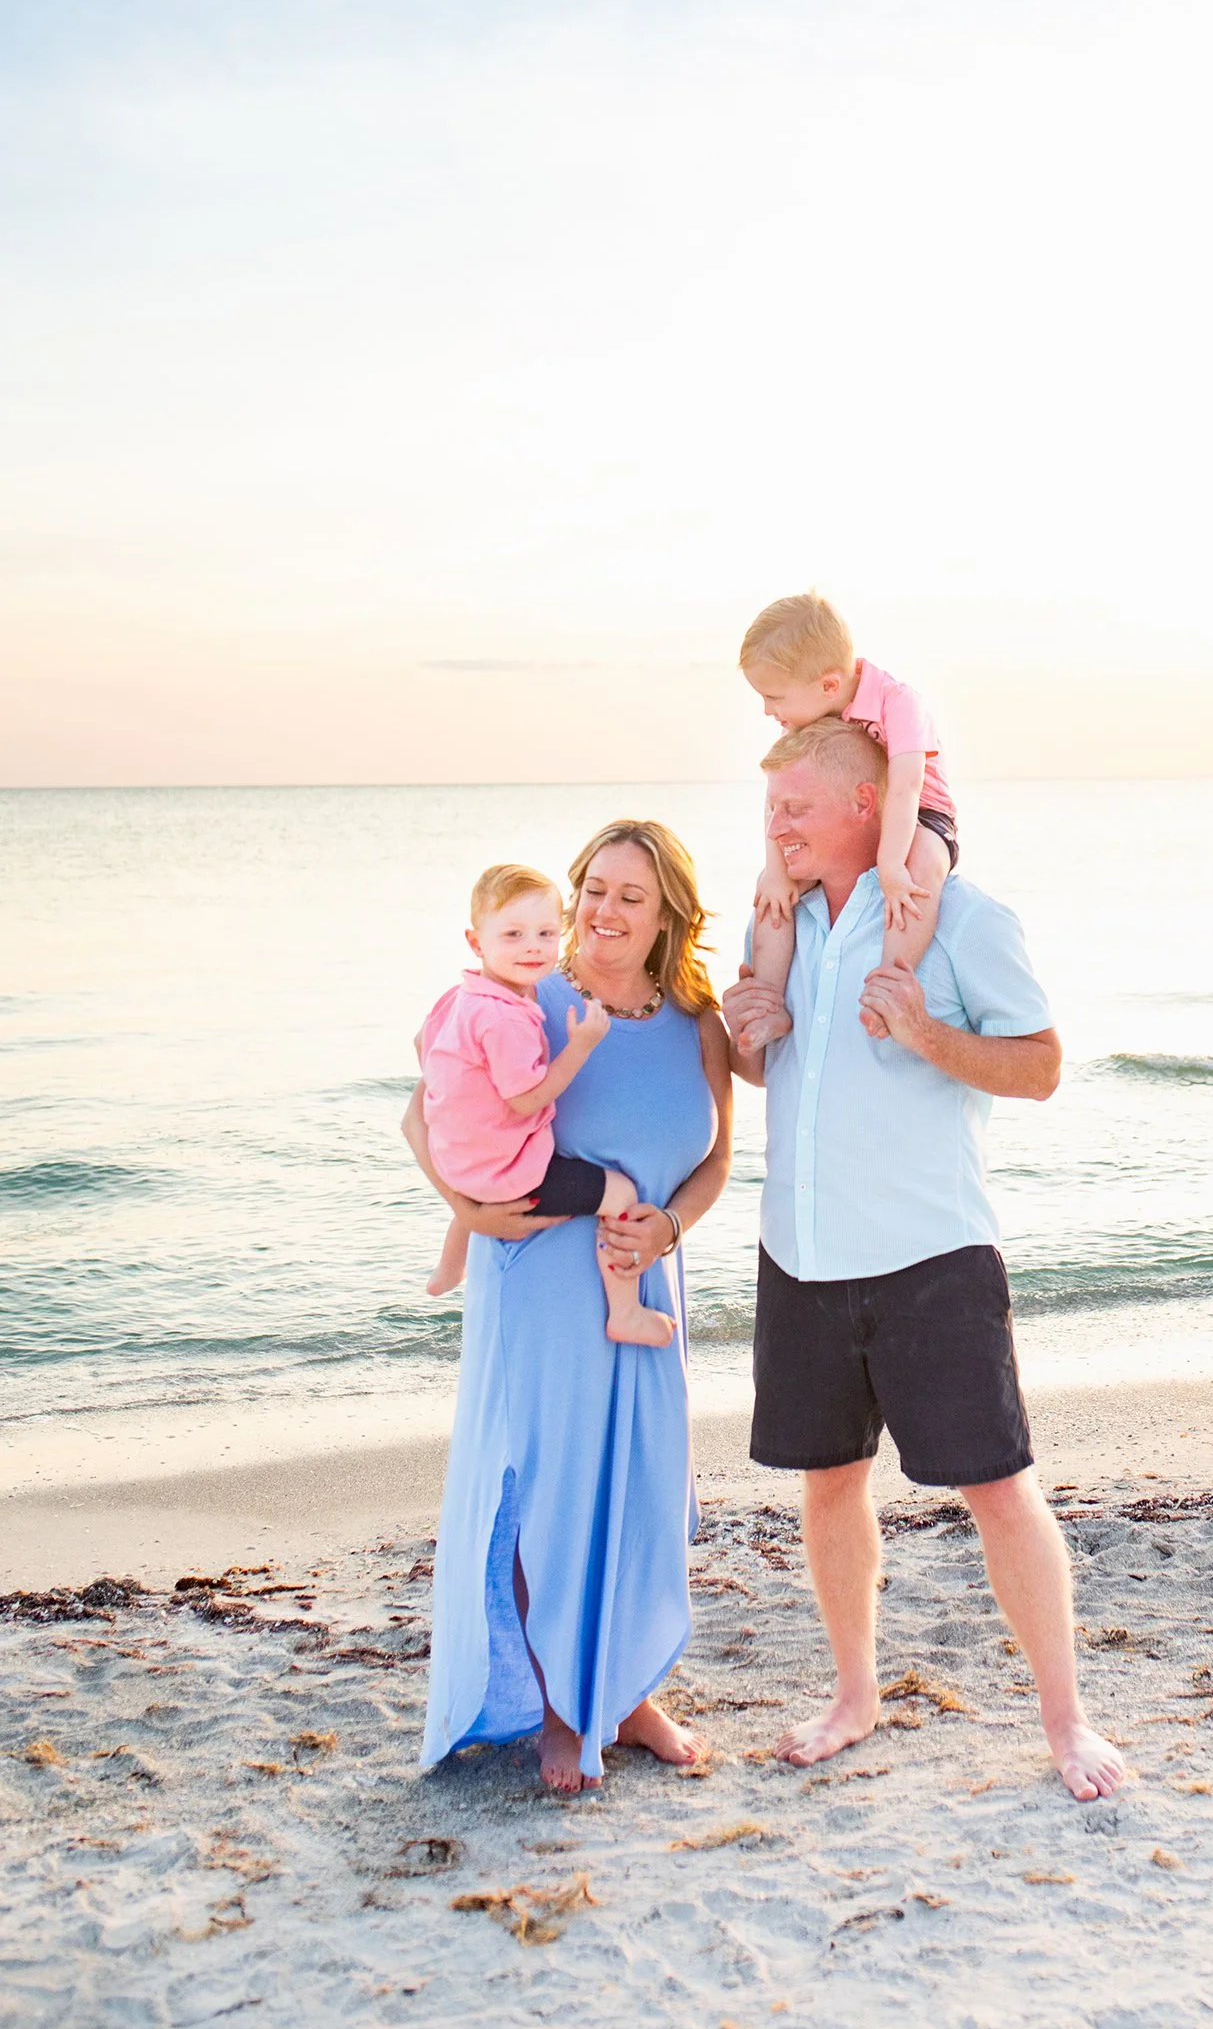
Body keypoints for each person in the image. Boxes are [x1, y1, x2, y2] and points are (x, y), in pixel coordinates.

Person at [722, 718, 1124, 1803]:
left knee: (997, 1489)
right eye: (770, 809)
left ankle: (1066, 1722)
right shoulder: (777, 919)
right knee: (828, 1484)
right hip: (801, 1255)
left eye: (796, 808)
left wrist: (926, 1035)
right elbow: (771, 1071)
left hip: (930, 1257)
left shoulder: (960, 917)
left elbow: (1040, 1067)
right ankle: (854, 1696)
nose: (776, 827)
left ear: (866, 806)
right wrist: (748, 1032)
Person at [403, 821, 733, 1794]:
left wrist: (668, 1226)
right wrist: (467, 1211)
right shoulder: (525, 996)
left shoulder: (696, 1021)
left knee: (640, 1492)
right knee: (545, 1497)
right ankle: (559, 1712)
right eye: (594, 889)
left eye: (632, 896)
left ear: (668, 914)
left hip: (645, 1280)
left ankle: (625, 1700)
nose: (604, 911)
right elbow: (423, 1113)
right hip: (541, 1279)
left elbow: (716, 1160)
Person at [415, 861, 675, 1348]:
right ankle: (625, 1310)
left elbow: (422, 1047)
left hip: (461, 1161)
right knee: (619, 1193)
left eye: (546, 934)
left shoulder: (462, 997)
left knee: (481, 1176)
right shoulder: (504, 1018)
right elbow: (526, 1100)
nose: (532, 947)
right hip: (508, 1171)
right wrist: (581, 1045)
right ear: (476, 942)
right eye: (513, 935)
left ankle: (449, 1268)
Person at [739, 590, 957, 1053]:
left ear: (828, 685)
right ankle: (767, 1002)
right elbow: (778, 794)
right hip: (856, 818)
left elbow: (906, 788)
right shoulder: (811, 715)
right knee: (772, 890)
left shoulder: (898, 703)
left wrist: (891, 865)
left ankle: (889, 991)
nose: (767, 711)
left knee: (920, 868)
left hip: (921, 813)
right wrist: (776, 871)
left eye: (773, 697)